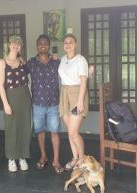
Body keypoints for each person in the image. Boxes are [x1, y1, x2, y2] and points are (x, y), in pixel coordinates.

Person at [26, 34, 64, 174]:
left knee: (54, 132)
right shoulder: (31, 63)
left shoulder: (56, 62)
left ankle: (56, 160)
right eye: (40, 43)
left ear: (48, 45)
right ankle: (43, 156)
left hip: (54, 103)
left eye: (45, 43)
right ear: (37, 46)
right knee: (40, 132)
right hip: (37, 104)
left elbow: (69, 70)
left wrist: (88, 71)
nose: (43, 45)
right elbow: (18, 72)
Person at [0, 36, 31, 172]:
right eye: (13, 43)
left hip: (25, 97)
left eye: (18, 44)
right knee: (12, 128)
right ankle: (11, 158)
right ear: (9, 45)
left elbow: (28, 79)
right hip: (10, 97)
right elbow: (0, 85)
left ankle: (22, 156)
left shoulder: (22, 61)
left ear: (20, 47)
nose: (16, 46)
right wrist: (5, 104)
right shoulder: (2, 62)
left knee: (24, 127)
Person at [58, 33, 89, 170]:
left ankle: (82, 159)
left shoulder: (80, 60)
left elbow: (83, 82)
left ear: (75, 44)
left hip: (77, 94)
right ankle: (75, 158)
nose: (68, 44)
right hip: (64, 93)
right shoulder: (63, 59)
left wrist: (80, 101)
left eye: (70, 42)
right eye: (65, 42)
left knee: (73, 132)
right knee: (69, 131)